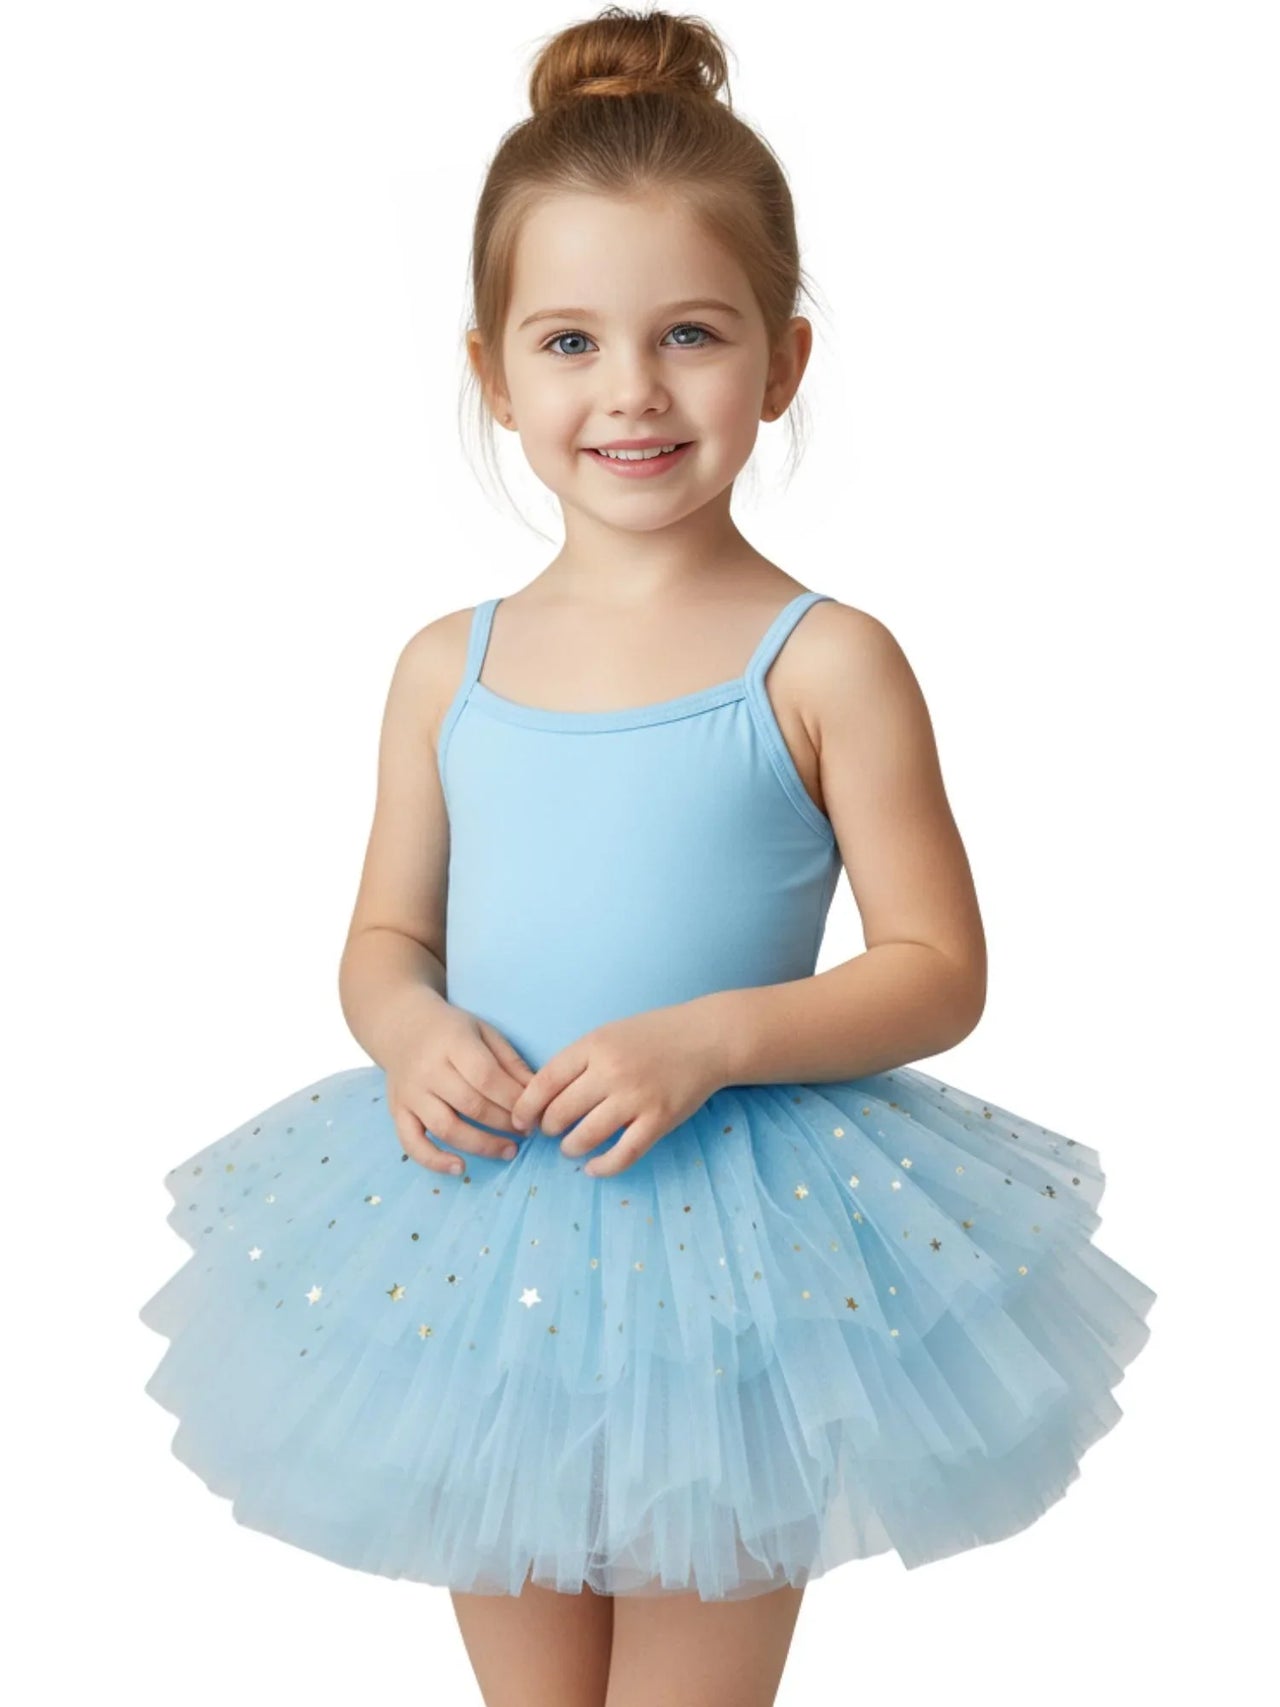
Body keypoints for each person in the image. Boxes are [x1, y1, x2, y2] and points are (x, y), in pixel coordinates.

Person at [137, 8, 1158, 1705]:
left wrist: (713, 1037)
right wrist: (405, 1030)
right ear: (490, 370)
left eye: (689, 333)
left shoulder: (825, 661)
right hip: (476, 1244)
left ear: (783, 363)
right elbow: (385, 936)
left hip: (739, 1259)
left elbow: (937, 970)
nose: (631, 392)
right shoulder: (442, 667)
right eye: (569, 342)